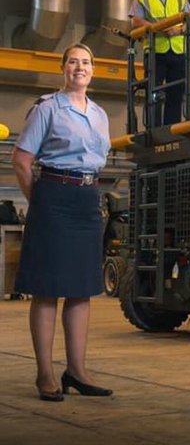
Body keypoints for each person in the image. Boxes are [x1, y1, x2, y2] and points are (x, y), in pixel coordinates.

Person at [11, 44, 113, 401]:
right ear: (63, 68)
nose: (79, 67)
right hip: (53, 196)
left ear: (93, 70)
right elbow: (22, 160)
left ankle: (77, 371)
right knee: (47, 289)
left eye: (86, 62)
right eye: (73, 61)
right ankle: (45, 375)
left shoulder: (100, 114)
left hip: (87, 199)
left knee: (81, 289)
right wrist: (38, 202)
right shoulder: (47, 109)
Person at [129, 0, 190, 127]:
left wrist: (177, 31)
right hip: (155, 51)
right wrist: (158, 28)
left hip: (178, 51)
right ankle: (154, 129)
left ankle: (172, 128)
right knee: (153, 92)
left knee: (176, 92)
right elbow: (135, 21)